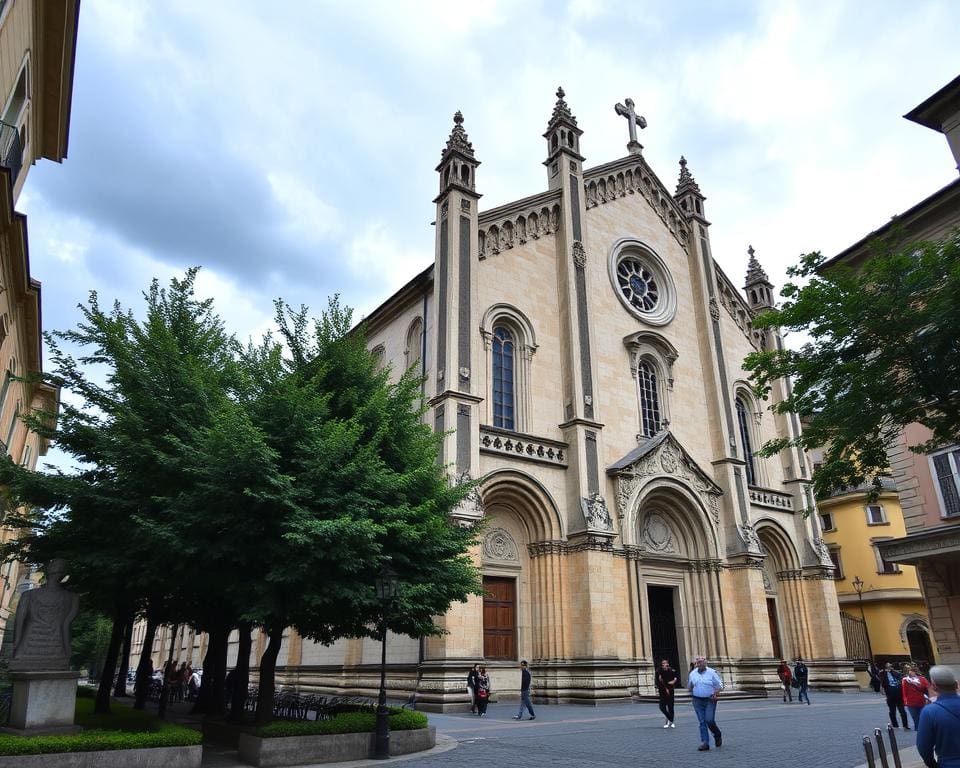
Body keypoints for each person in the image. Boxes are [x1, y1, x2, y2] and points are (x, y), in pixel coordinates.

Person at [917, 665, 960, 768]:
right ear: (956, 684)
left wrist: (933, 765)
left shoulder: (929, 712)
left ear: (934, 686)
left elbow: (924, 747)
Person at [687, 655, 723, 751]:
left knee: (709, 720)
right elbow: (689, 686)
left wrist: (716, 692)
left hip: (710, 699)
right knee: (702, 722)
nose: (700, 663)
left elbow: (719, 685)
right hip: (697, 700)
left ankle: (717, 734)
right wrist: (691, 689)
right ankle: (705, 743)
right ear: (696, 663)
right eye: (698, 662)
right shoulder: (692, 674)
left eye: (702, 661)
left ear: (706, 662)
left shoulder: (712, 672)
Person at [902, 663, 931, 730]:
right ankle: (920, 735)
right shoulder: (905, 680)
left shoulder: (922, 679)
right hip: (911, 703)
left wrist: (917, 684)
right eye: (908, 670)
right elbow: (904, 692)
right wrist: (905, 702)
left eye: (911, 670)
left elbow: (927, 688)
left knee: (924, 720)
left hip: (922, 702)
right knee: (916, 721)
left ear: (915, 671)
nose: (910, 672)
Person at [881, 662, 909, 729]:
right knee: (892, 711)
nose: (890, 665)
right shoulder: (882, 673)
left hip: (899, 694)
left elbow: (901, 678)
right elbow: (882, 682)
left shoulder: (895, 672)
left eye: (890, 664)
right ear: (885, 666)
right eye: (888, 664)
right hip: (890, 695)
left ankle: (905, 725)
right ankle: (895, 725)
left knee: (902, 711)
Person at [656, 658, 679, 727]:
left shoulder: (671, 670)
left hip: (671, 690)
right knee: (662, 707)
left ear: (668, 664)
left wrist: (674, 681)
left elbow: (675, 677)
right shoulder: (658, 671)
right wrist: (664, 688)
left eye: (665, 663)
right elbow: (657, 682)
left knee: (670, 706)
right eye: (663, 663)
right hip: (662, 691)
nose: (664, 665)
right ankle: (670, 719)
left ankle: (671, 722)